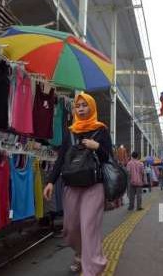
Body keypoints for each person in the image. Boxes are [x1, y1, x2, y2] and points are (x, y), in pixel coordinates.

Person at [43, 92, 112, 276]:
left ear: (92, 107)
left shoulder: (101, 130)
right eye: (78, 106)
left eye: (84, 105)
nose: (81, 109)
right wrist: (50, 181)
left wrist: (97, 146)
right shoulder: (71, 131)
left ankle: (93, 268)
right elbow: (61, 159)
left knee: (89, 226)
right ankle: (80, 254)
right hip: (71, 185)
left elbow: (109, 157)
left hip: (94, 184)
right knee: (71, 228)